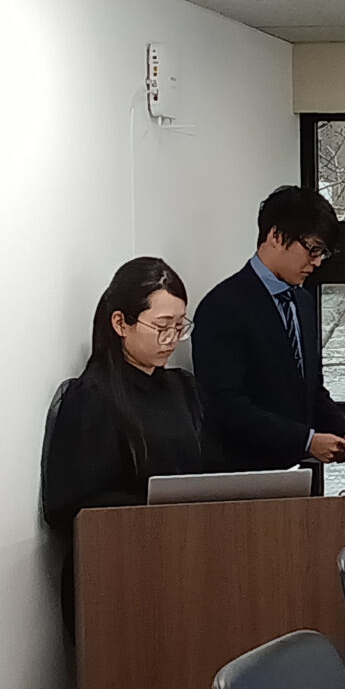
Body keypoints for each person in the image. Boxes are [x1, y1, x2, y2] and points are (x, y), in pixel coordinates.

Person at [42, 257, 203, 633]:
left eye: (179, 326)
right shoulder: (91, 396)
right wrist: (152, 506)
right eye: (161, 326)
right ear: (120, 323)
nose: (171, 339)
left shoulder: (182, 388)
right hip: (116, 573)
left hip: (185, 557)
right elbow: (67, 505)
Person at [192, 186, 345, 472]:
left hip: (298, 471)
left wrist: (344, 432)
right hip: (242, 475)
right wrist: (306, 441)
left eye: (323, 253)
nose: (317, 262)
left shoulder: (303, 303)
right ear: (276, 236)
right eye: (313, 249)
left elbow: (311, 390)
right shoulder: (222, 306)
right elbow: (225, 404)